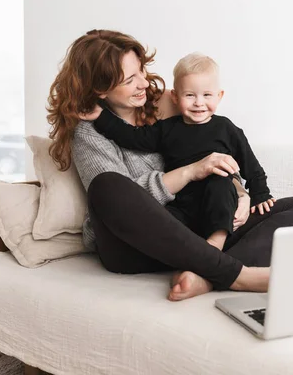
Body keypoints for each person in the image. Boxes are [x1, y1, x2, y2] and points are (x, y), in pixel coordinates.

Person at [46, 29, 293, 301]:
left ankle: (204, 277)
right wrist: (190, 172)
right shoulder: (88, 134)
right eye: (131, 79)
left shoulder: (168, 102)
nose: (144, 83)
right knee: (106, 185)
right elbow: (123, 203)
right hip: (135, 244)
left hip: (197, 226)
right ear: (100, 89)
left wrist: (240, 194)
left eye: (141, 70)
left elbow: (212, 149)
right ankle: (237, 276)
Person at [86, 52, 274, 253]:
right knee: (164, 217)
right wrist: (102, 117)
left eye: (207, 95)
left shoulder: (227, 129)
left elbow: (251, 167)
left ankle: (214, 247)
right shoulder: (166, 128)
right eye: (190, 95)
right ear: (175, 97)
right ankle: (204, 255)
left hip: (220, 197)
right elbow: (133, 137)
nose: (198, 103)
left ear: (219, 96)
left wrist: (259, 195)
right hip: (183, 201)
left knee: (220, 184)